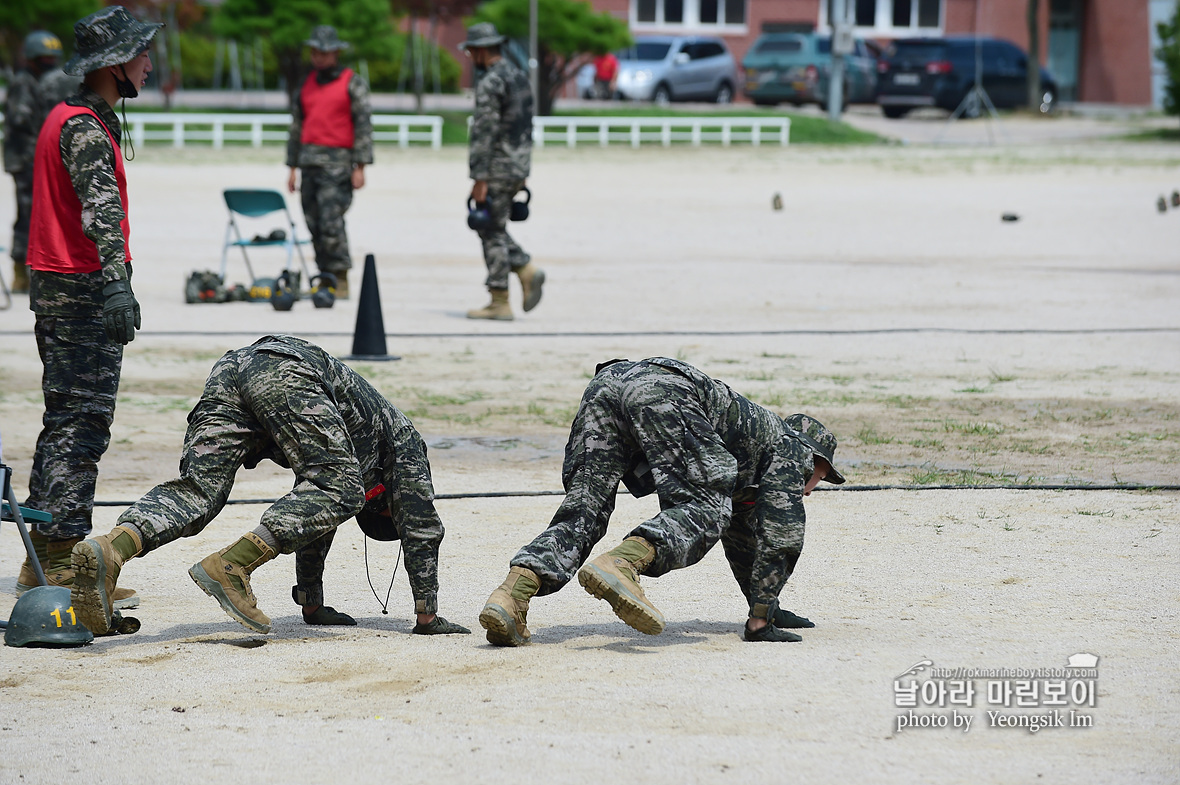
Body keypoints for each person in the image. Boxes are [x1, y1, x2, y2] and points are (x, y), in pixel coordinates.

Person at [70, 335, 470, 640]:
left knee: (198, 490)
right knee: (342, 490)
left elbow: (313, 515)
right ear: (387, 509)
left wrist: (313, 606)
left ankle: (111, 547)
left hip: (232, 370)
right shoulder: (404, 444)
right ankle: (233, 564)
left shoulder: (351, 457)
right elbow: (422, 528)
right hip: (289, 370)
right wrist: (428, 614)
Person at [479, 357, 845, 647]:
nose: (812, 487)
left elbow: (742, 537)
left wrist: (766, 605)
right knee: (705, 506)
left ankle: (511, 596)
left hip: (608, 385)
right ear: (814, 459)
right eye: (821, 475)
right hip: (662, 389)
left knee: (584, 508)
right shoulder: (792, 446)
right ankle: (621, 564)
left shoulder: (753, 453)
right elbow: (783, 532)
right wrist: (760, 623)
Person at [17, 7, 162, 612]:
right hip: (78, 289)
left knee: (65, 422)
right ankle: (59, 561)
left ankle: (43, 557)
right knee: (82, 426)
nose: (149, 64)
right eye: (141, 55)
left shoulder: (69, 115)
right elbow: (99, 210)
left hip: (60, 285)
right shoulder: (82, 126)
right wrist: (115, 286)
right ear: (113, 65)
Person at [459, 22, 544, 321]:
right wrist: (523, 170)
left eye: (471, 51)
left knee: (489, 230)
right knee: (493, 226)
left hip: (494, 168)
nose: (469, 56)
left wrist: (479, 178)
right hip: (516, 165)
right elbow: (524, 127)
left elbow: (484, 132)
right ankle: (522, 270)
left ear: (482, 50)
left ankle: (501, 298)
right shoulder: (519, 77)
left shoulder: (491, 81)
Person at [286, 25, 372, 300]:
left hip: (337, 164)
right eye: (314, 52)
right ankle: (324, 277)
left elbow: (363, 126)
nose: (318, 57)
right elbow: (297, 126)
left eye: (323, 52)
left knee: (331, 222)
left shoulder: (352, 82)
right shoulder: (307, 83)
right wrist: (292, 168)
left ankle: (340, 277)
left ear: (335, 52)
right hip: (308, 162)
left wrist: (361, 166)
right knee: (313, 223)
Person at [2, 30, 81, 295]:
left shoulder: (46, 81)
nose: (50, 61)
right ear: (33, 58)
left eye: (53, 57)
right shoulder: (24, 83)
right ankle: (19, 273)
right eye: (45, 57)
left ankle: (35, 269)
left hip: (37, 159)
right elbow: (22, 120)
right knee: (27, 215)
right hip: (25, 161)